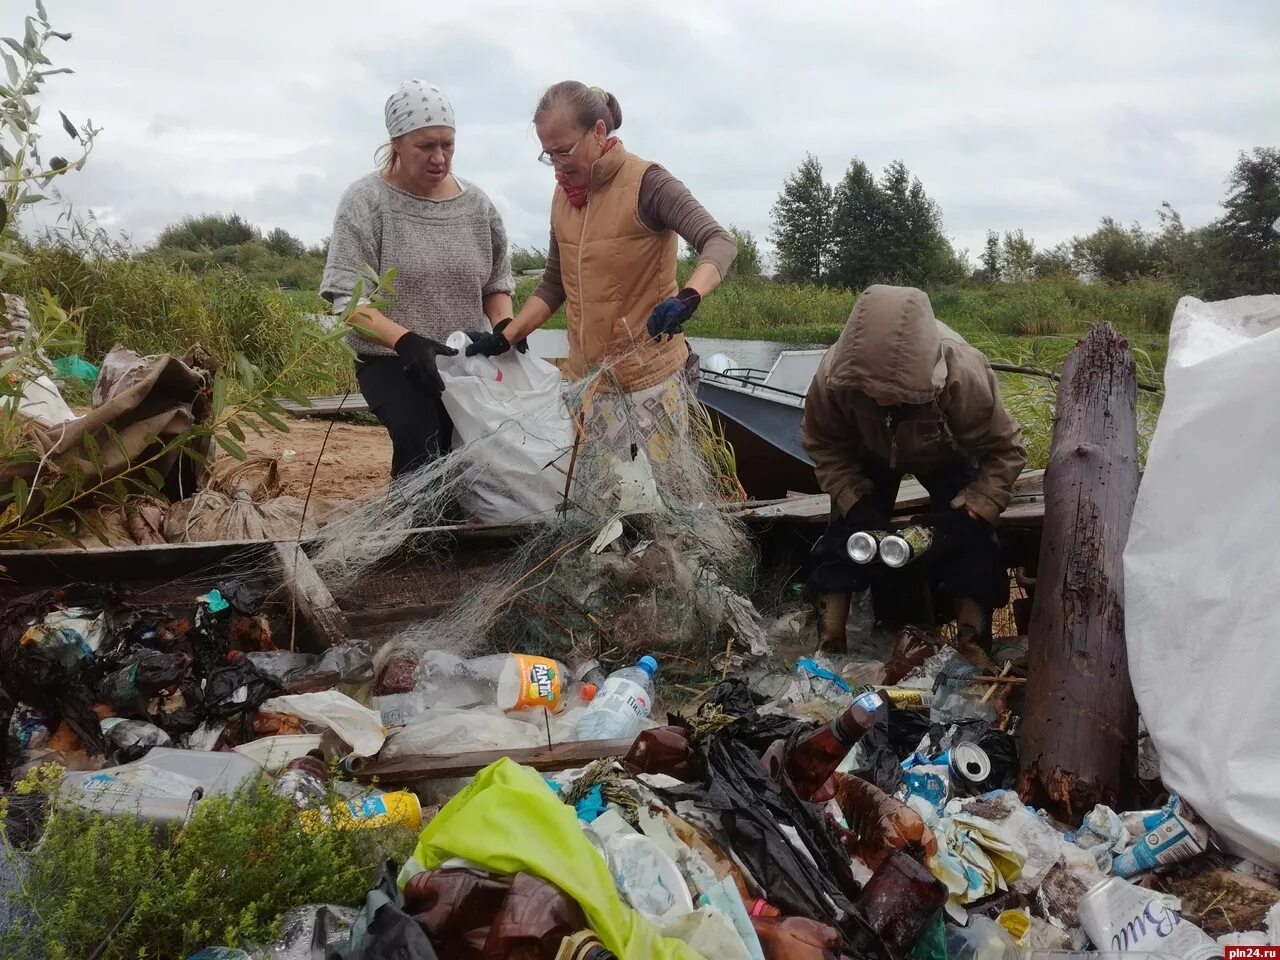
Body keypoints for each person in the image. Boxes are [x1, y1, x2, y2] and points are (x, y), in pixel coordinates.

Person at [467, 81, 736, 463]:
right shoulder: (564, 197)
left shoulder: (648, 183)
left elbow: (719, 241)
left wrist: (688, 297)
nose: (558, 165)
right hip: (590, 385)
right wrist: (507, 335)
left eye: (565, 151)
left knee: (655, 506)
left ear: (597, 131)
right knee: (602, 504)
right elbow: (553, 284)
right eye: (549, 155)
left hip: (651, 384)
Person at [802, 285, 1027, 662]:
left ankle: (974, 650)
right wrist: (853, 502)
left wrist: (972, 512)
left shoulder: (963, 372)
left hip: (946, 452)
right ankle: (829, 643)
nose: (882, 400)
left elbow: (1006, 451)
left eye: (895, 392)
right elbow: (823, 445)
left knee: (975, 546)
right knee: (844, 537)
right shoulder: (833, 375)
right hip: (869, 453)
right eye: (871, 392)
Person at [321, 80, 514, 478]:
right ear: (396, 142)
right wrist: (406, 341)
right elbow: (347, 302)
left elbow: (496, 285)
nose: (439, 157)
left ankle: (460, 535)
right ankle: (416, 537)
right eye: (426, 146)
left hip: (463, 360)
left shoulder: (477, 206)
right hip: (393, 360)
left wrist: (505, 326)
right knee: (421, 447)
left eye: (448, 144)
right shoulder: (366, 203)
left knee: (474, 462)